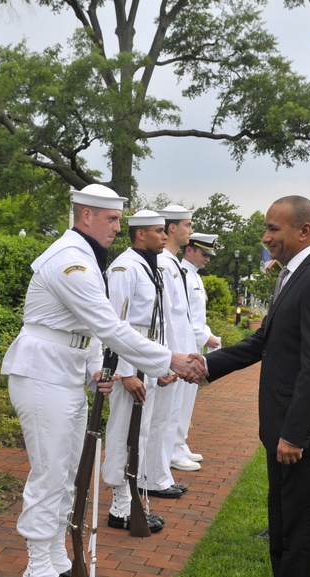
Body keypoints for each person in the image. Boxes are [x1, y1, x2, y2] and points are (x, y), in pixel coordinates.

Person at [1, 185, 205, 577]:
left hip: (64, 372)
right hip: (42, 374)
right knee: (51, 473)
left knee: (72, 473)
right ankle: (37, 570)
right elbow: (109, 325)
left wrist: (96, 366)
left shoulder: (86, 258)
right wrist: (170, 359)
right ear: (86, 215)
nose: (117, 227)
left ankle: (57, 560)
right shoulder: (70, 261)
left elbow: (91, 329)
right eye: (111, 219)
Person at [204, 195, 310, 577]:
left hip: (304, 435)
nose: (266, 238)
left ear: (303, 231)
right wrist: (203, 367)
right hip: (285, 429)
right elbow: (261, 342)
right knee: (282, 520)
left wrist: (296, 434)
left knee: (301, 526)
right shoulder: (292, 276)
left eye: (273, 229)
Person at [101, 210, 171, 533]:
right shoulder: (124, 268)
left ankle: (134, 497)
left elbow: (157, 321)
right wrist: (126, 372)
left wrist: (163, 363)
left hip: (146, 355)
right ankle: (119, 504)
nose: (165, 237)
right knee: (123, 432)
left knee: (140, 432)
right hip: (129, 361)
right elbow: (114, 323)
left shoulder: (149, 267)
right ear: (140, 234)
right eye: (159, 231)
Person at [142, 204, 195, 495]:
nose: (190, 230)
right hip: (169, 356)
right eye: (186, 225)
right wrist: (168, 360)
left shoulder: (172, 263)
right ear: (172, 227)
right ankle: (153, 478)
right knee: (159, 420)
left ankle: (159, 475)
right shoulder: (162, 263)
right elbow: (161, 319)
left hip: (177, 355)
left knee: (167, 419)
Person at [175, 232, 221, 470]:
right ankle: (174, 449)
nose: (208, 259)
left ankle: (180, 444)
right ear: (189, 250)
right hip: (183, 345)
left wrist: (207, 334)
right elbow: (185, 316)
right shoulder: (181, 275)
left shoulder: (194, 276)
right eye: (204, 253)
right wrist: (206, 337)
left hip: (193, 344)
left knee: (187, 400)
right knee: (179, 401)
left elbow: (198, 316)